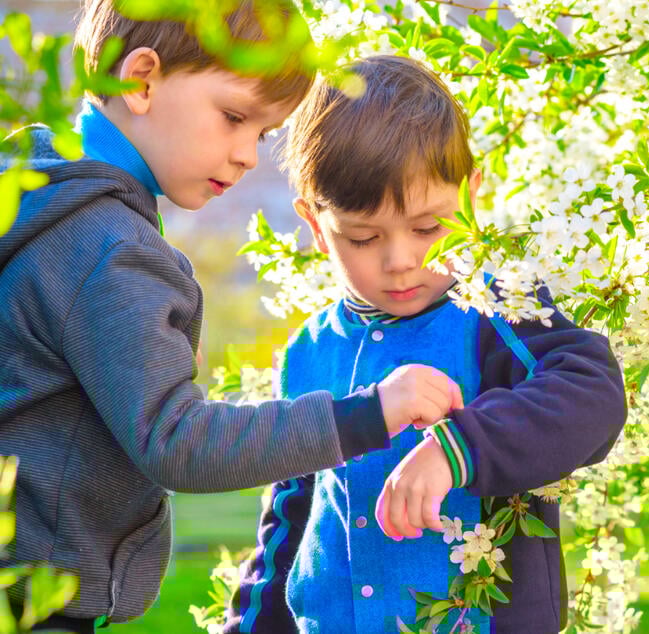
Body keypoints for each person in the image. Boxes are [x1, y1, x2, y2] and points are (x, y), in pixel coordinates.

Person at [0, 5, 464, 633]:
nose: (247, 155)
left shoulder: (29, 192)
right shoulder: (112, 250)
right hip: (37, 602)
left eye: (265, 134)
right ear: (141, 81)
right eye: (235, 118)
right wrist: (366, 413)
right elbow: (177, 442)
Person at [223, 55, 627, 634]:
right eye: (363, 237)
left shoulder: (497, 310)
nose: (401, 261)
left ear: (470, 196)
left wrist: (456, 448)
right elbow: (290, 519)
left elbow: (592, 393)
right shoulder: (309, 349)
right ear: (316, 225)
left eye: (428, 228)